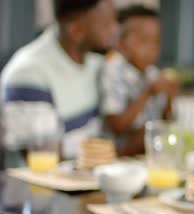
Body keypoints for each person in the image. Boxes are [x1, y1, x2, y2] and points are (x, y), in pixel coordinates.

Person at [1, 0, 118, 166]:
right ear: (76, 30)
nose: (115, 29)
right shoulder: (30, 73)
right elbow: (44, 161)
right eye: (106, 24)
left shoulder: (97, 63)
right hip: (43, 188)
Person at [100, 5, 178, 156]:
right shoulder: (112, 69)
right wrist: (148, 93)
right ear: (121, 44)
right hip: (117, 155)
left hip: (145, 155)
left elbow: (166, 123)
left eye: (156, 41)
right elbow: (117, 127)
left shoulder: (151, 72)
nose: (152, 49)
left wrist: (170, 97)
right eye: (144, 41)